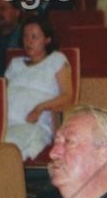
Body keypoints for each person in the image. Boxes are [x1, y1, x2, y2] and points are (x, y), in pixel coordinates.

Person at [5, 17, 73, 160]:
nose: (29, 41)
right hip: (6, 124)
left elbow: (67, 96)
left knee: (6, 150)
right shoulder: (15, 64)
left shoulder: (56, 59)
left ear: (47, 40)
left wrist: (40, 108)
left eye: (34, 37)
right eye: (25, 36)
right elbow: (1, 97)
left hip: (33, 126)